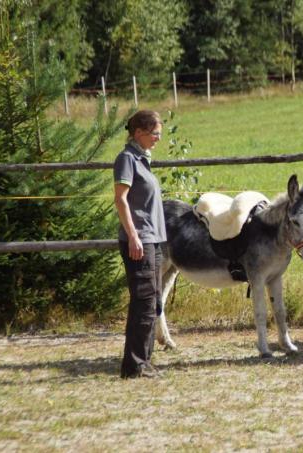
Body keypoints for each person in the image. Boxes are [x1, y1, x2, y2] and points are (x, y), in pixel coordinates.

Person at [113, 110, 167, 378]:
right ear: (139, 133)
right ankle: (133, 365)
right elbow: (121, 200)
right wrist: (133, 235)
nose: (158, 138)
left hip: (153, 240)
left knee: (153, 301)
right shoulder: (127, 159)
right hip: (139, 241)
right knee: (143, 302)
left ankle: (144, 361)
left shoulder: (142, 160)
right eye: (155, 133)